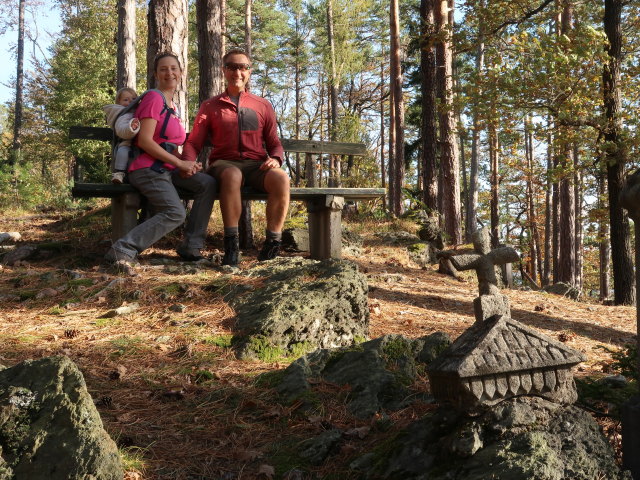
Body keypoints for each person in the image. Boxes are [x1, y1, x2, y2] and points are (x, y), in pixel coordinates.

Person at [105, 53, 216, 266]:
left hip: (165, 168)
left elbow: (167, 144)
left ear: (181, 73)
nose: (169, 73)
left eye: (174, 68)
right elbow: (146, 141)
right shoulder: (154, 98)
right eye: (163, 69)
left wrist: (187, 164)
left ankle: (192, 246)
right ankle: (123, 249)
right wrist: (180, 164)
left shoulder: (172, 107)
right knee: (175, 213)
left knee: (207, 183)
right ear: (156, 74)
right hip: (146, 168)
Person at [183, 48, 289, 266]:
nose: (237, 72)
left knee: (281, 178)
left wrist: (276, 159)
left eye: (243, 67)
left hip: (257, 166)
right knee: (232, 174)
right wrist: (188, 161)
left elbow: (274, 143)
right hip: (224, 164)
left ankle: (272, 245)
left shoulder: (262, 105)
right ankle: (231, 246)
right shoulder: (210, 106)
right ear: (224, 70)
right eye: (232, 66)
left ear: (249, 72)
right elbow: (194, 142)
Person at [103, 87, 141, 184]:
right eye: (126, 100)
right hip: (126, 142)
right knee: (123, 152)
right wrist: (131, 128)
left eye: (133, 99)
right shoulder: (123, 114)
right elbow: (121, 130)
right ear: (119, 103)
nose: (130, 102)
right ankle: (119, 173)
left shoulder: (138, 112)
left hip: (139, 144)